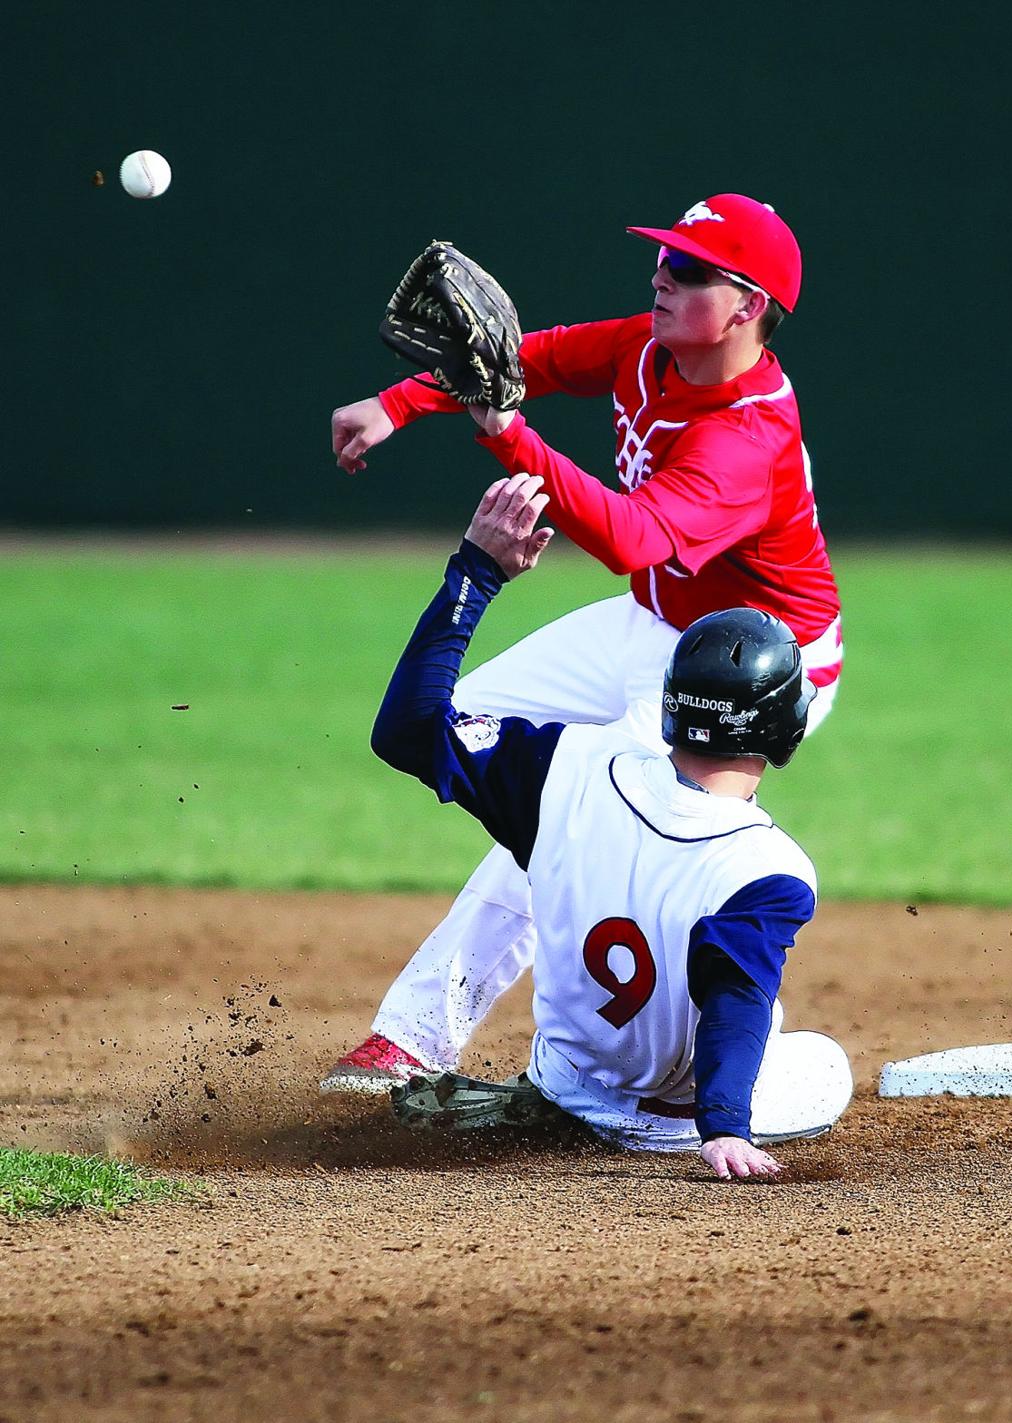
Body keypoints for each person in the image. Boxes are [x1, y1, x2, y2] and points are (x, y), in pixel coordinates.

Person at [322, 193, 845, 1095]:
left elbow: (634, 537)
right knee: (461, 720)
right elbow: (514, 361)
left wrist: (509, 439)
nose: (661, 278)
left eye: (688, 269)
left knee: (581, 815)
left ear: (751, 304)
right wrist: (397, 406)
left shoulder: (749, 432)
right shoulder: (650, 347)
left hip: (753, 668)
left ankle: (417, 1038)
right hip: (654, 622)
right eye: (662, 259)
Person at [371, 473, 852, 1178]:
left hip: (569, 1086)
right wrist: (725, 1128)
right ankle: (637, 1118)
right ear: (785, 735)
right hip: (673, 1127)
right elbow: (735, 998)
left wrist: (476, 569)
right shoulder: (772, 870)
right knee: (825, 1062)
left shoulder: (565, 767)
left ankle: (554, 1101)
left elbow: (407, 728)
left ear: (668, 708)